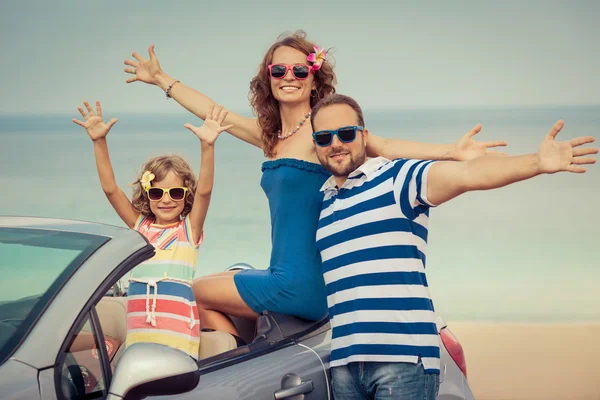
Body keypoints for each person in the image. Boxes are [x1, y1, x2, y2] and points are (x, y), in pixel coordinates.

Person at [124, 30, 508, 338]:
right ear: (268, 80)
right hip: (285, 273)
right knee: (222, 275)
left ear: (314, 78)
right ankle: (248, 349)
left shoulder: (324, 131)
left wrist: (452, 152)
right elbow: (214, 112)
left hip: (303, 282)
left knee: (189, 290)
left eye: (299, 71)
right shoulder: (272, 136)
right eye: (278, 71)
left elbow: (386, 146)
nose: (288, 77)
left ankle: (237, 361)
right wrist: (160, 78)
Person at [310, 94, 597, 399]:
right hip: (344, 364)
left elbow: (468, 175)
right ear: (315, 144)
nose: (336, 143)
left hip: (403, 359)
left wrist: (537, 162)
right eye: (324, 137)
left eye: (346, 133)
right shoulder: (325, 203)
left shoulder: (396, 179)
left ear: (365, 136)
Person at [72, 101, 233, 359]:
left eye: (175, 192)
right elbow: (111, 189)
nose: (166, 200)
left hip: (178, 340)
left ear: (185, 195)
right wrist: (99, 142)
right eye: (157, 192)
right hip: (140, 340)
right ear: (147, 194)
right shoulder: (140, 228)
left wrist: (208, 146)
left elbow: (205, 190)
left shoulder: (188, 230)